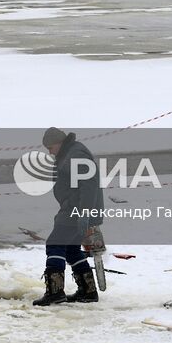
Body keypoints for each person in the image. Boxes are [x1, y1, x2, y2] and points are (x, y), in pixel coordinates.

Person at [33, 127, 103, 307]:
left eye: (50, 148)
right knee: (71, 249)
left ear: (59, 143)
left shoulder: (75, 154)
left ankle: (55, 292)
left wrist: (84, 212)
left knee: (55, 244)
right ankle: (88, 291)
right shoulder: (70, 153)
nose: (49, 152)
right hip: (76, 209)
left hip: (77, 211)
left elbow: (89, 184)